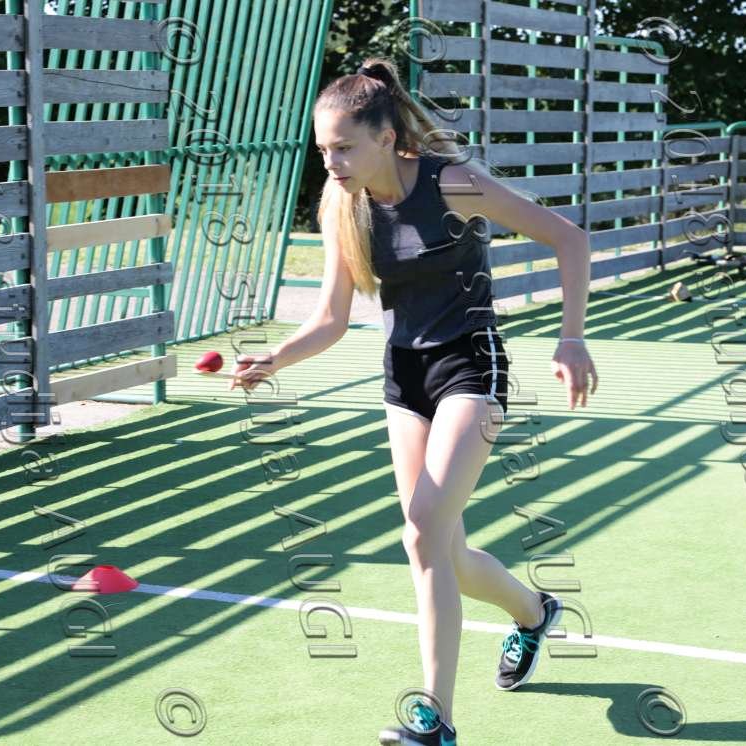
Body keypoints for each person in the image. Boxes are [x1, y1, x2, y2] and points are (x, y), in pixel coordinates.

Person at [230, 57, 597, 745]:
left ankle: (436, 720)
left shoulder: (450, 181)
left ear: (384, 136)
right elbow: (332, 318)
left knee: (422, 530)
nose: (331, 163)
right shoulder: (342, 204)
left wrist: (571, 339)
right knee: (444, 550)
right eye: (323, 150)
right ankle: (533, 611)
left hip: (470, 364)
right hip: (404, 377)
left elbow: (568, 239)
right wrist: (276, 358)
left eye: (343, 148)